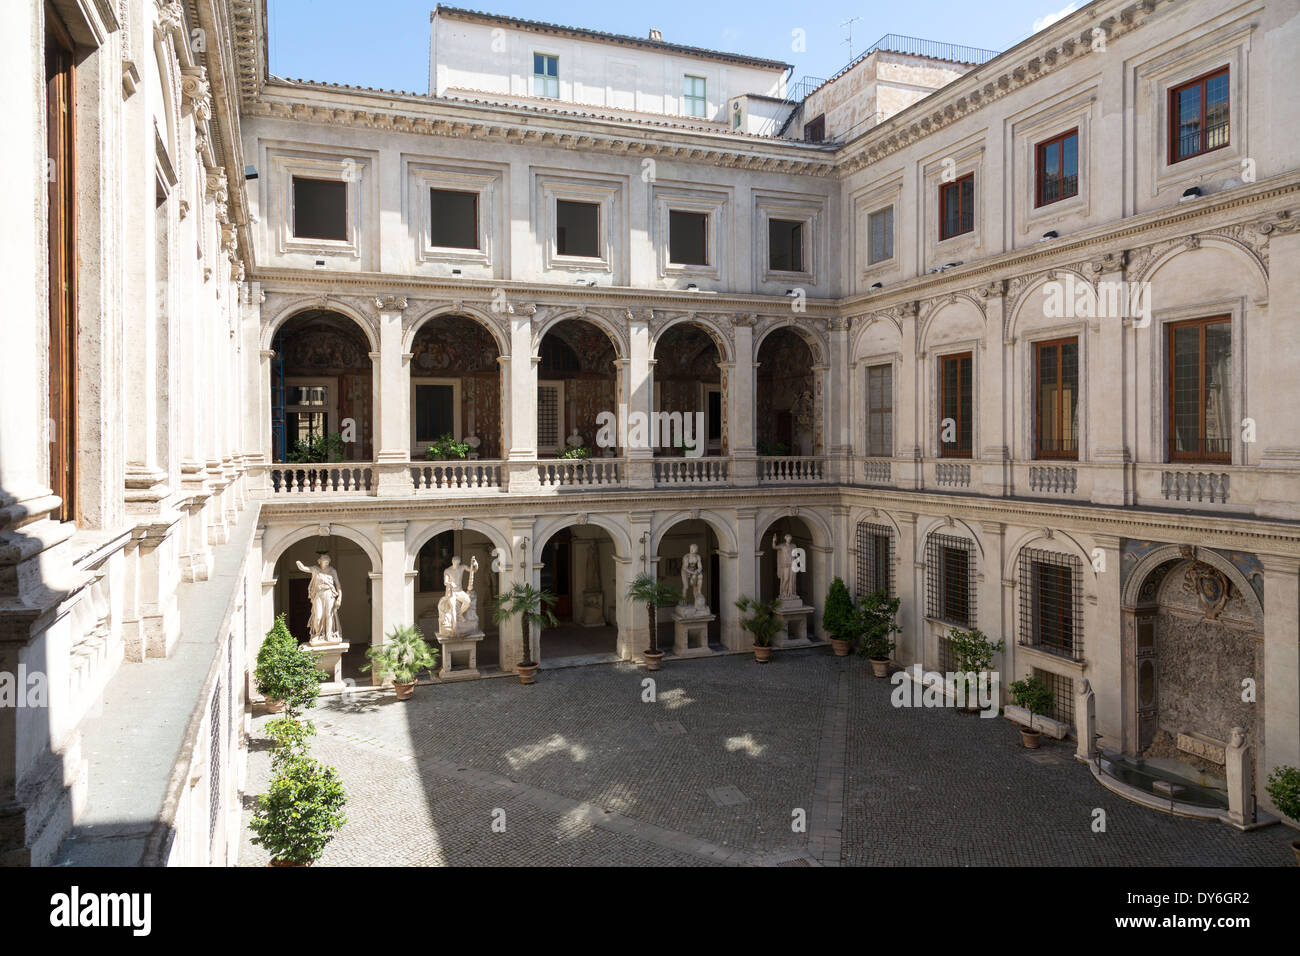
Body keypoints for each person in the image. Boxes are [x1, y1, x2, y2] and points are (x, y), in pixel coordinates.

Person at [296, 554, 343, 644]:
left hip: (329, 594)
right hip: (318, 594)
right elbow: (304, 569)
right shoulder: (315, 569)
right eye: (324, 560)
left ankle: (328, 635)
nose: (326, 562)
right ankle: (317, 634)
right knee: (318, 616)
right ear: (319, 561)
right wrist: (300, 565)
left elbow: (338, 585)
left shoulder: (332, 571)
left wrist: (339, 598)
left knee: (329, 615)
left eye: (327, 561)